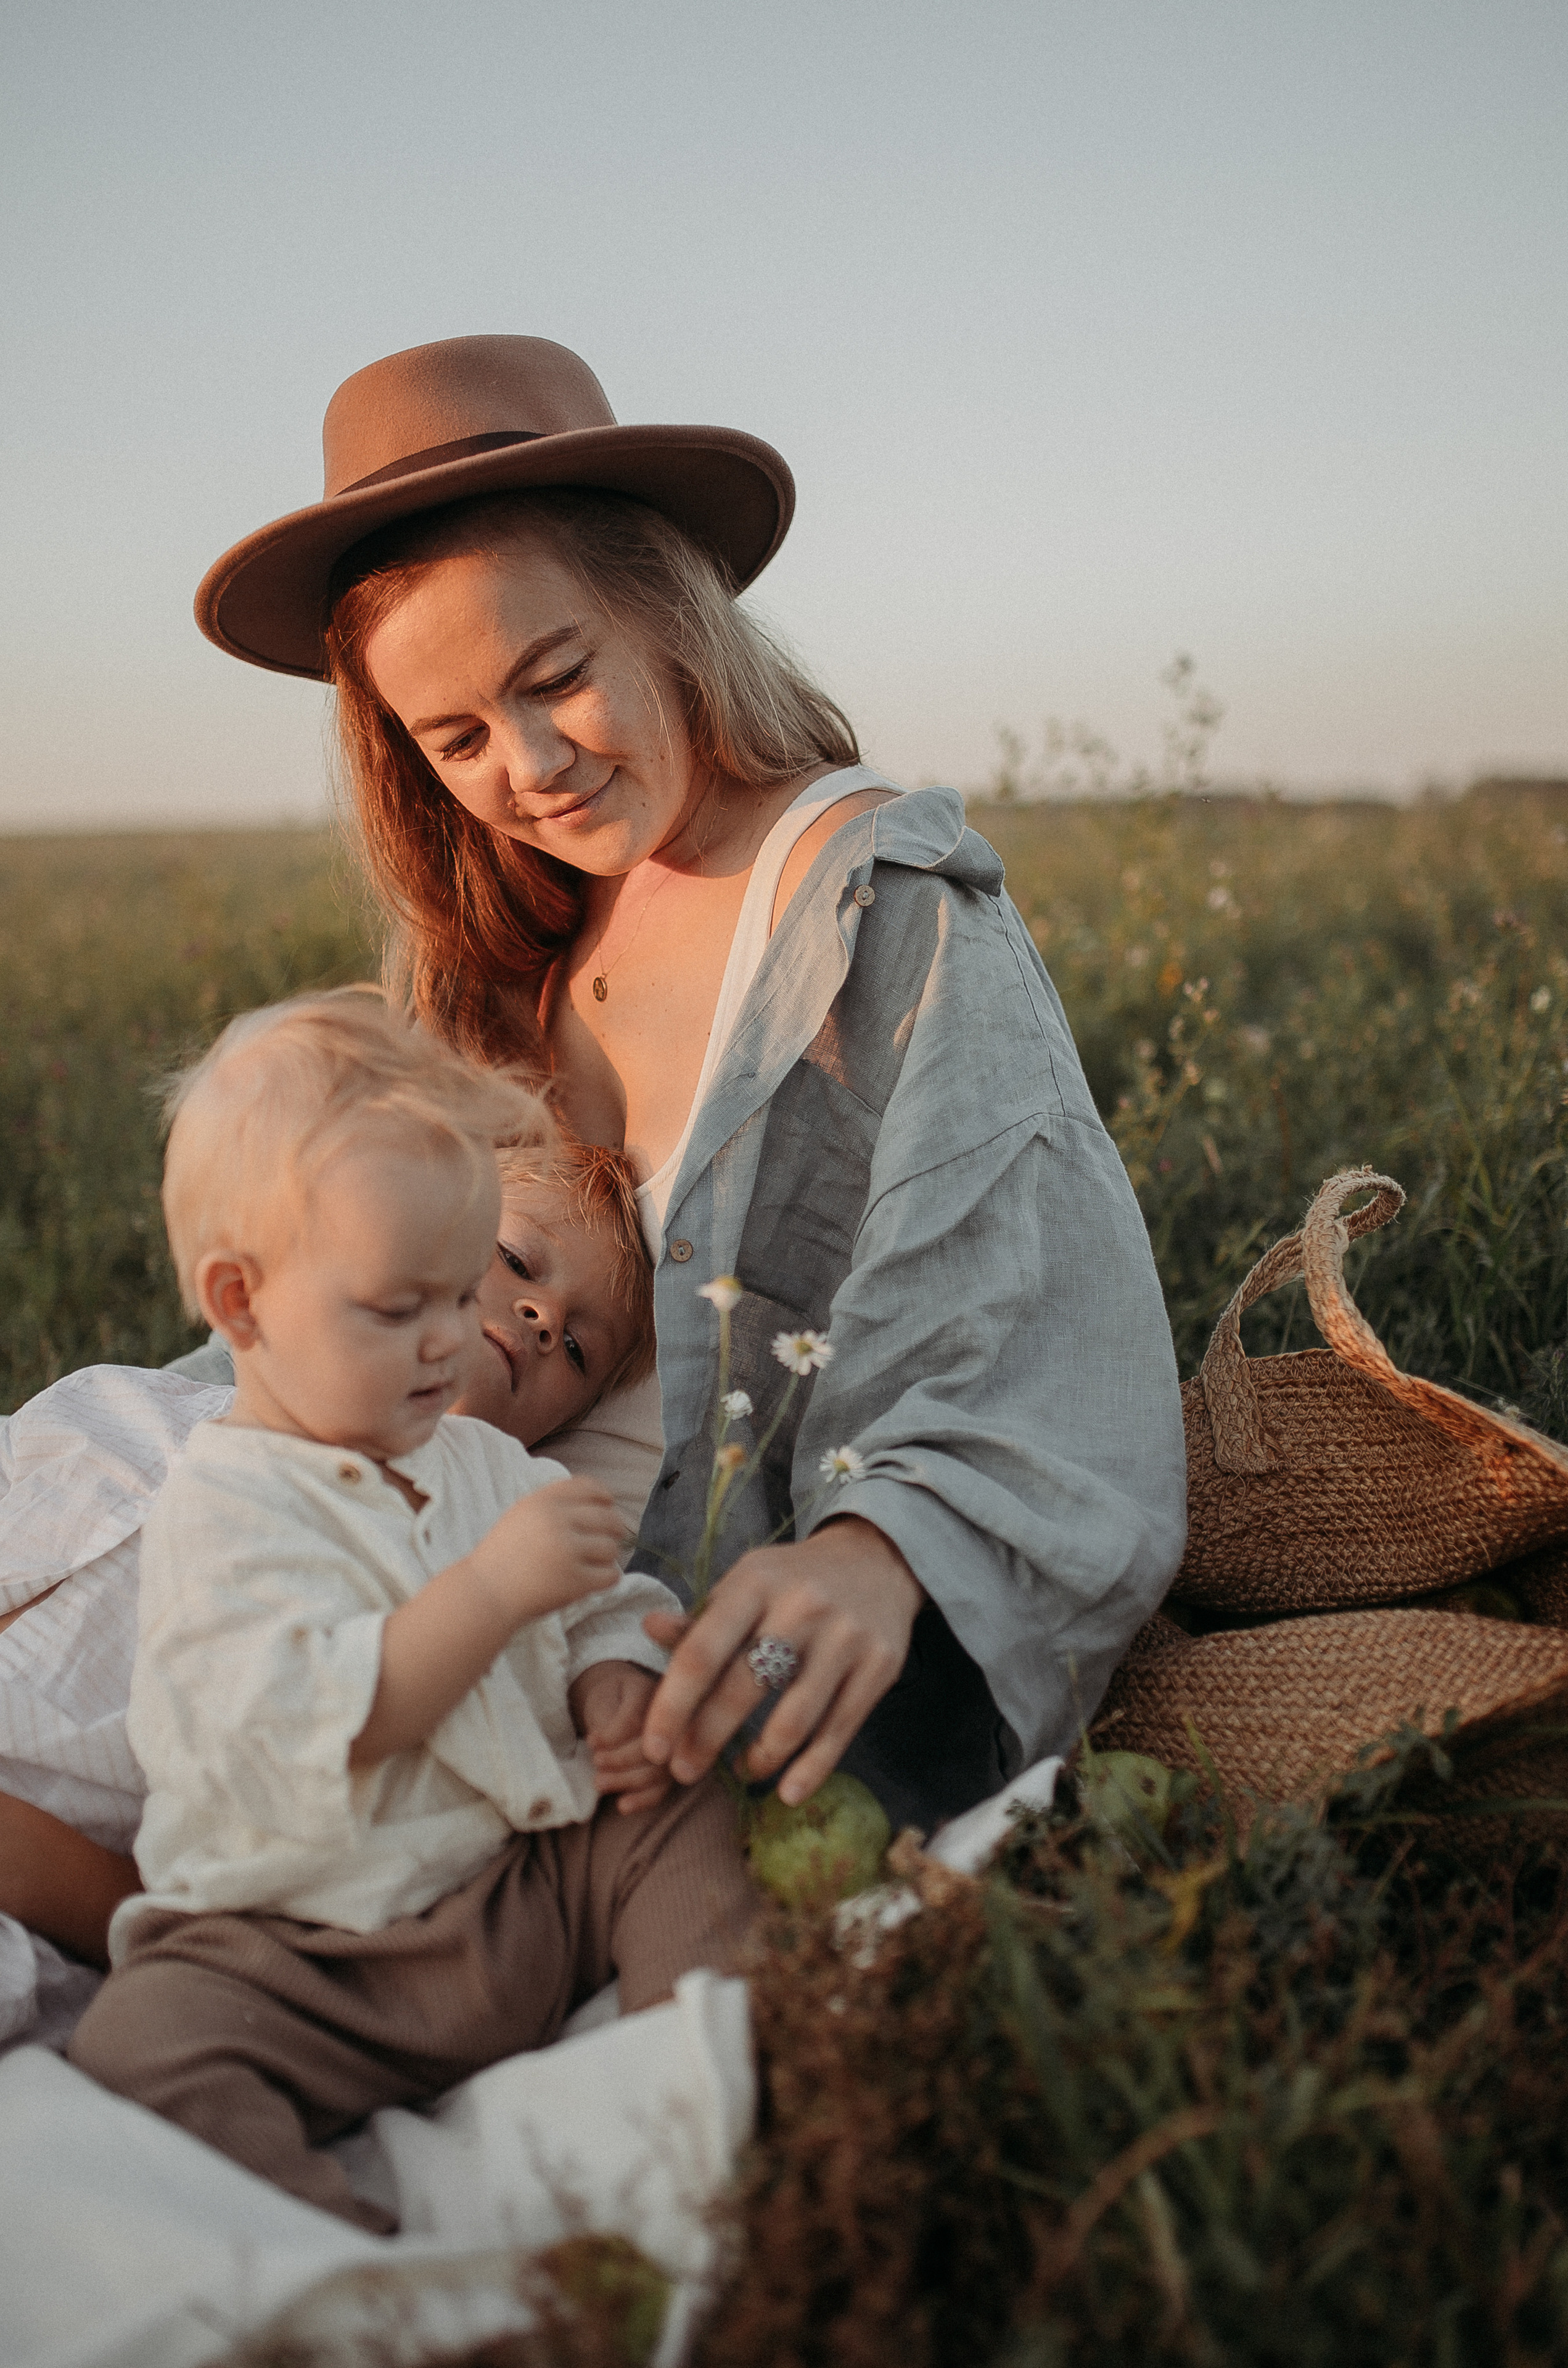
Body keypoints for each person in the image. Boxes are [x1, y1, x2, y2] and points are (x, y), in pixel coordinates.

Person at [188, 333, 1188, 1841]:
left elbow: (1020, 1311)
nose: (527, 767)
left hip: (689, 1618)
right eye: (452, 738)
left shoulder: (869, 899)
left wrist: (875, 1551)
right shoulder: (488, 944)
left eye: (556, 678)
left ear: (665, 606)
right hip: (425, 1562)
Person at [61, 992, 754, 2226]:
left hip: (510, 1891)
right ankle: (342, 2251)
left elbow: (599, 1600)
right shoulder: (222, 1512)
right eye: (406, 1303)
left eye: (577, 1349)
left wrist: (610, 1683)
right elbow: (308, 1719)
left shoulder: (493, 1469)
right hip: (306, 1953)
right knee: (143, 2044)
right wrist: (491, 1592)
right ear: (241, 1305)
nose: (461, 1337)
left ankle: (691, 2080)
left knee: (671, 1811)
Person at [0, 1083, 668, 2035]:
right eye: (517, 1260)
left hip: (66, 1892)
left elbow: (590, 1618)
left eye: (573, 1349)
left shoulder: (443, 1570)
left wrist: (613, 1677)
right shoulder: (125, 1405)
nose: (535, 1318)